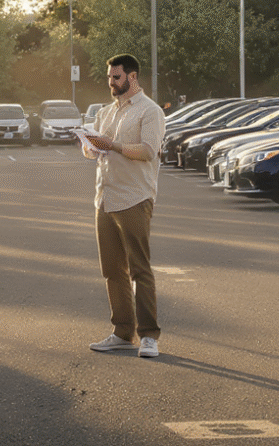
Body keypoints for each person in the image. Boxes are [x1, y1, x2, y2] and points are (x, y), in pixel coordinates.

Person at [82, 54, 166, 358]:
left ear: (132, 77)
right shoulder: (105, 112)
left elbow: (147, 151)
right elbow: (94, 150)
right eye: (108, 78)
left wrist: (112, 145)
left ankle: (149, 336)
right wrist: (89, 145)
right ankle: (121, 332)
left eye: (116, 77)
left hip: (134, 197)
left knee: (139, 269)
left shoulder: (150, 111)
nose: (111, 83)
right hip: (104, 198)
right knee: (111, 270)